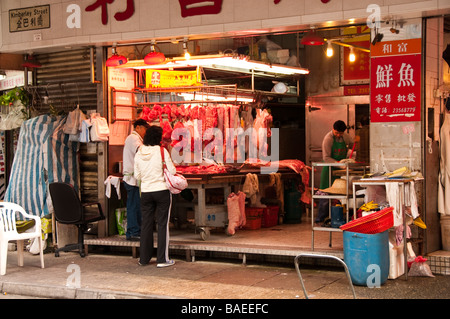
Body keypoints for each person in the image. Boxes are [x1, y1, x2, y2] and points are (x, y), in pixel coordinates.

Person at [134, 125, 177, 268]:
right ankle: (162, 259)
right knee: (162, 224)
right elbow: (172, 170)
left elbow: (137, 175)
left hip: (146, 192)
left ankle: (143, 259)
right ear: (158, 138)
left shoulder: (139, 152)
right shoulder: (161, 151)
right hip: (161, 191)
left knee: (146, 225)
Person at [317, 120, 354, 223]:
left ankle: (336, 217)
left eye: (340, 133)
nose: (338, 135)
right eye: (336, 133)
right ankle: (320, 218)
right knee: (325, 194)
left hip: (340, 171)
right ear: (333, 129)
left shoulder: (345, 137)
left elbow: (352, 145)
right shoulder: (328, 139)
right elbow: (326, 158)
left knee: (339, 195)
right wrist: (340, 165)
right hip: (329, 169)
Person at [122, 119, 150, 241]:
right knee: (133, 206)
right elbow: (142, 152)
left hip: (134, 179)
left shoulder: (137, 139)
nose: (145, 131)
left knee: (137, 205)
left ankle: (136, 230)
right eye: (144, 129)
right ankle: (133, 232)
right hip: (131, 179)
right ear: (138, 127)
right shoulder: (133, 138)